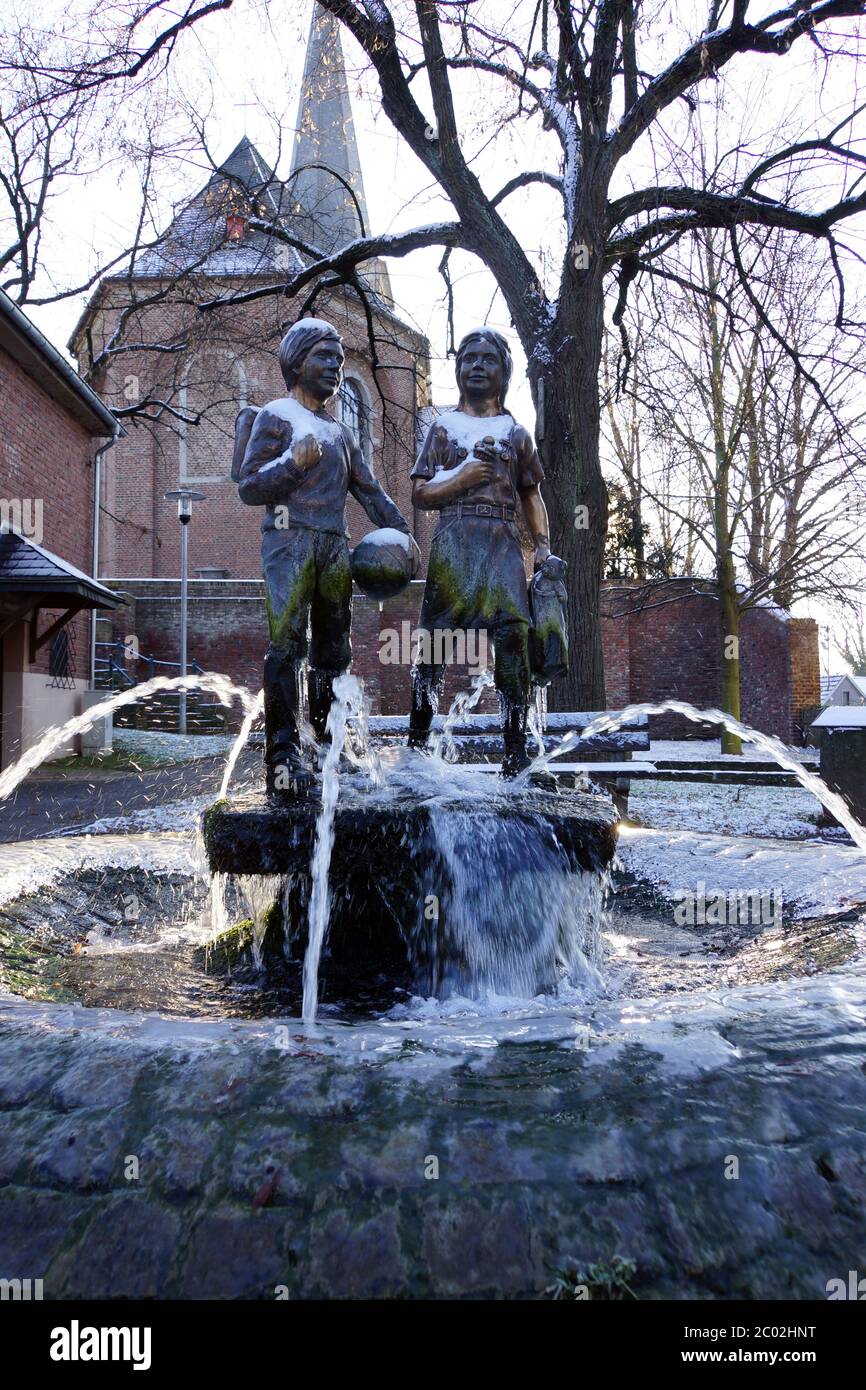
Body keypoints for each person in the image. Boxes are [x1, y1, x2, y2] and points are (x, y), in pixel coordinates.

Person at [237, 316, 415, 795]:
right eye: (325, 356)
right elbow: (250, 487)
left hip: (334, 546)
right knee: (288, 646)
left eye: (338, 360)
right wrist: (292, 463)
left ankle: (326, 745)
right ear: (297, 361)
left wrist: (402, 534)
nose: (335, 366)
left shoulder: (340, 433)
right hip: (288, 540)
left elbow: (370, 491)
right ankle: (283, 754)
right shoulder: (275, 416)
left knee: (335, 650)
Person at [408, 327, 552, 776]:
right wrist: (463, 477)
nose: (477, 366)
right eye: (469, 358)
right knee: (433, 646)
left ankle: (515, 749)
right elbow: (420, 493)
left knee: (513, 641)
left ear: (503, 372)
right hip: (453, 542)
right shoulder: (442, 428)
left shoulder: (515, 432)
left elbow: (532, 495)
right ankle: (417, 745)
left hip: (502, 545)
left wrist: (543, 545)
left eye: (488, 359)